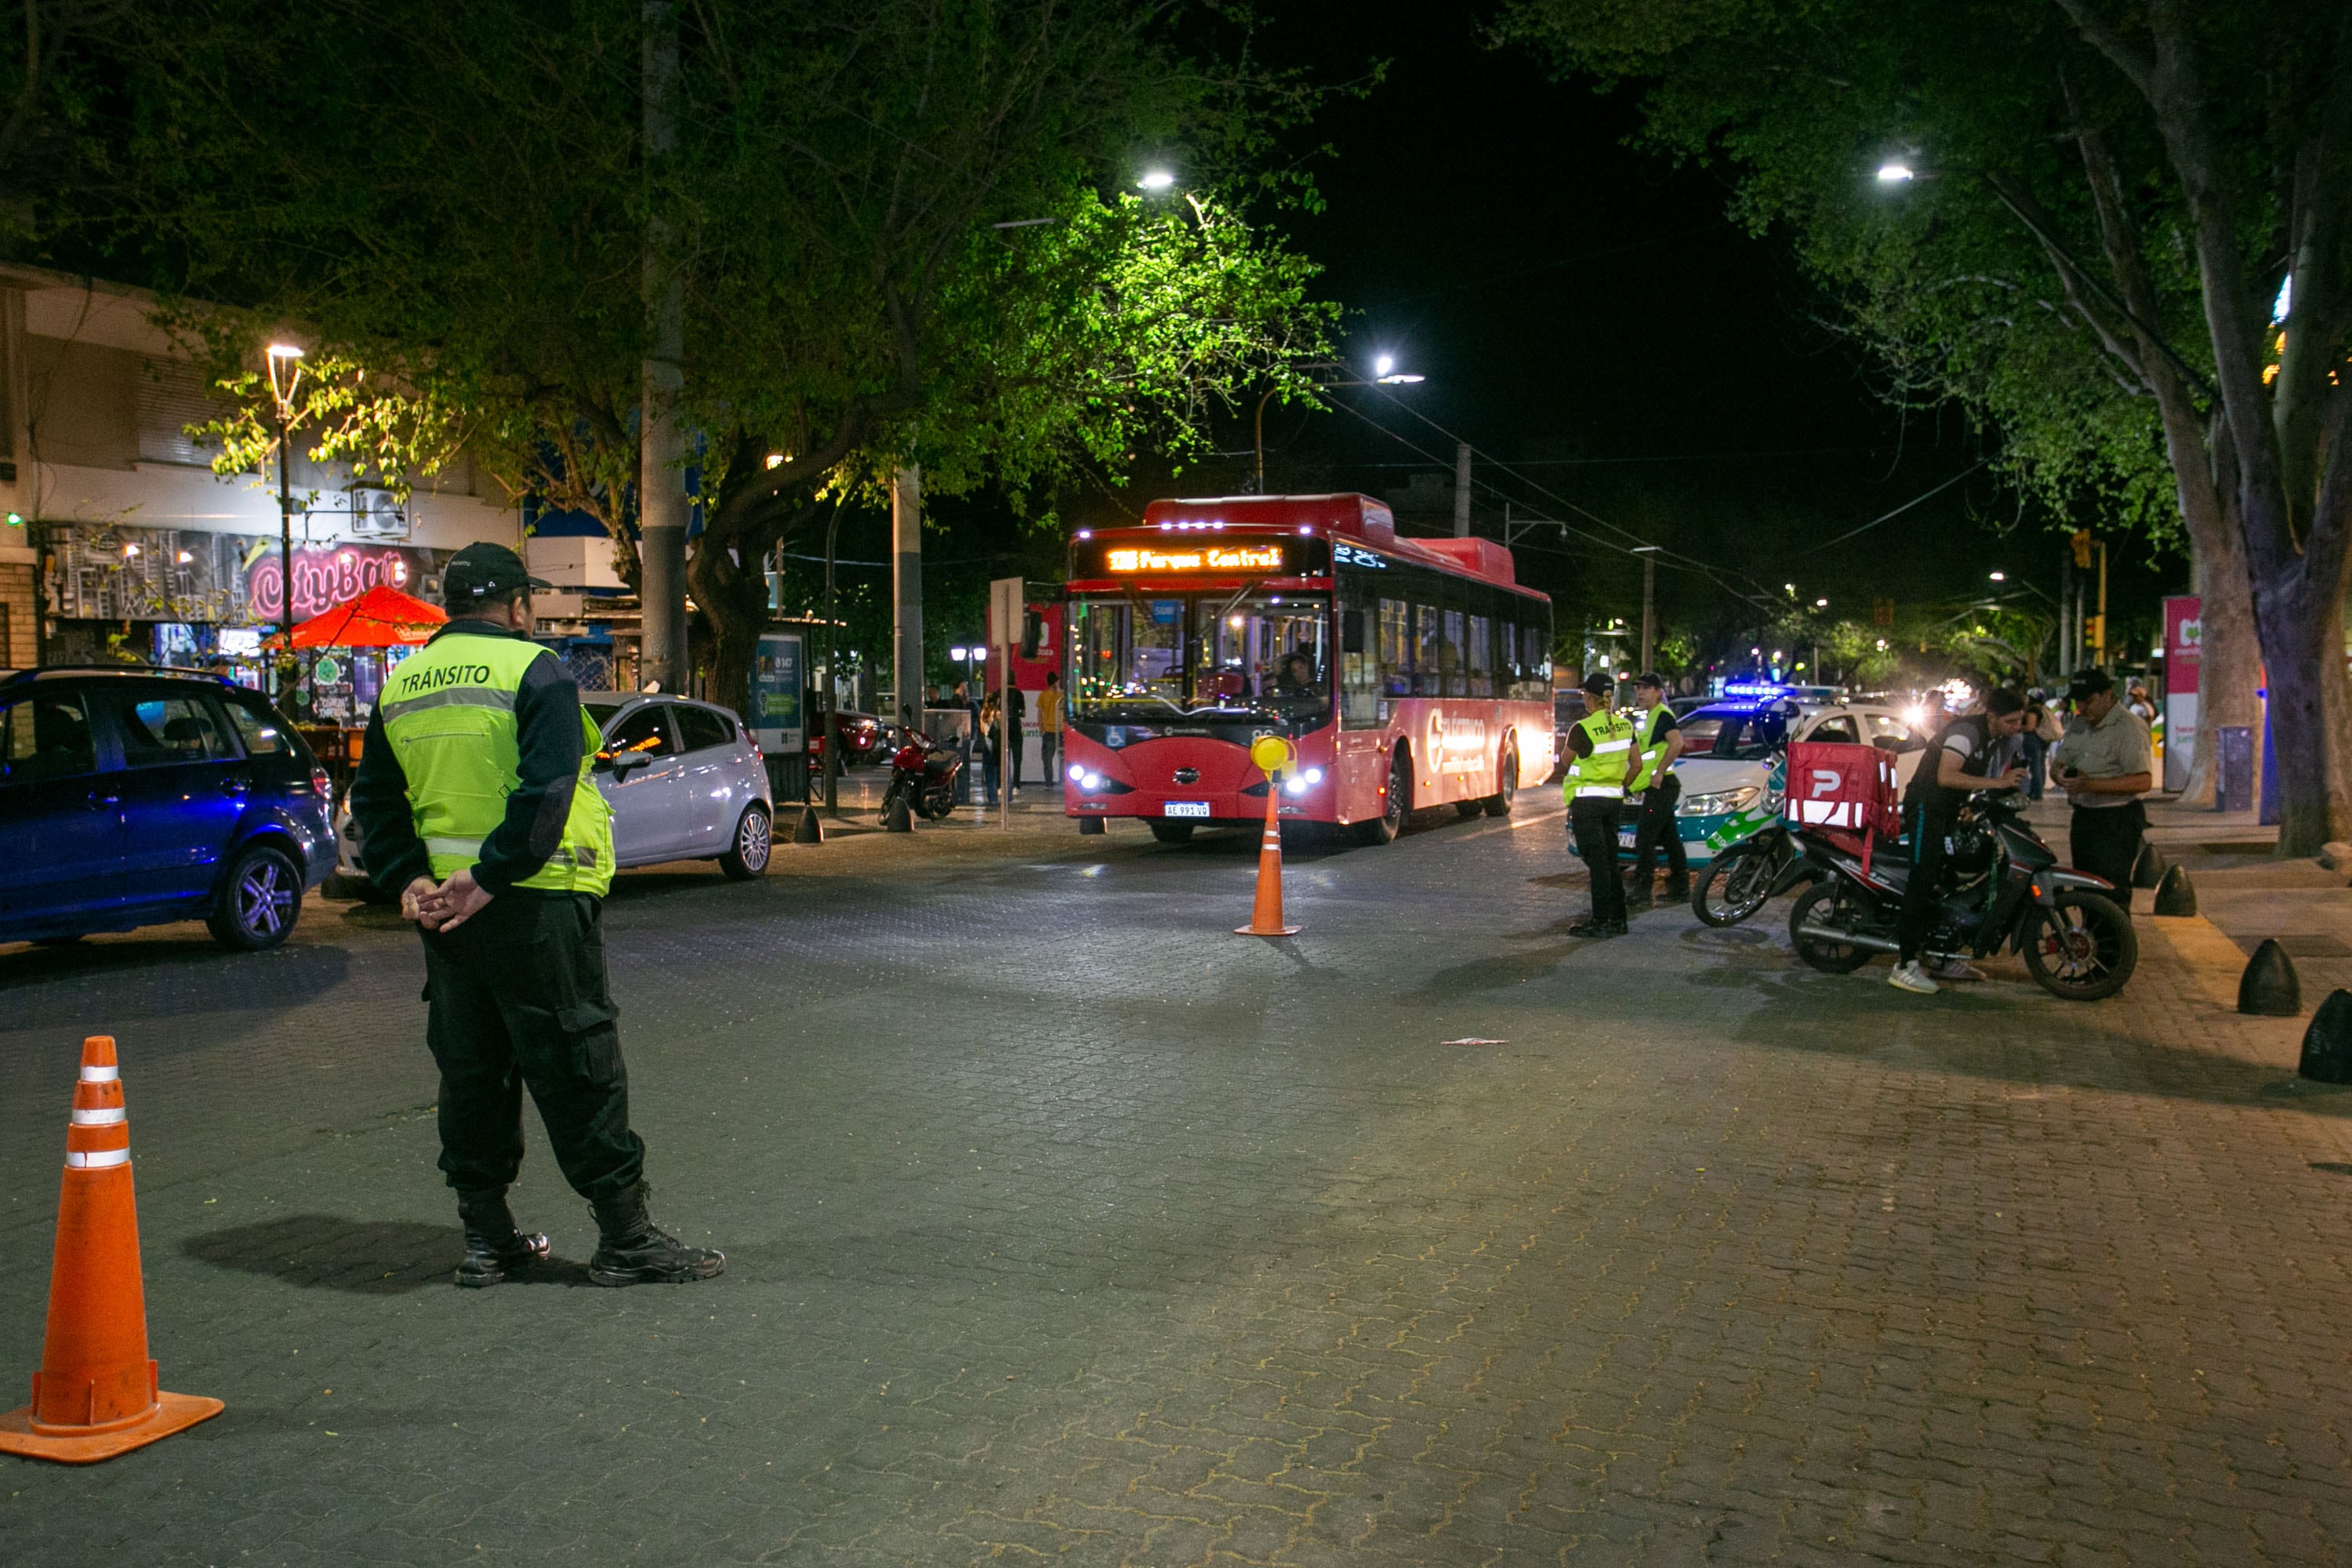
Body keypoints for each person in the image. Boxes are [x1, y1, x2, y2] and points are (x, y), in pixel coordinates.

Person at [347, 542, 723, 1290]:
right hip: (536, 901)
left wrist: (412, 882)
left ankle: (488, 1239)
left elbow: (376, 804)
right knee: (577, 1061)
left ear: (449, 605)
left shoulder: (402, 684)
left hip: (448, 917)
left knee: (472, 1068)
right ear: (517, 606)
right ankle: (625, 1236)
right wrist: (492, 876)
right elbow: (549, 790)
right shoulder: (534, 669)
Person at [1889, 687, 2031, 996]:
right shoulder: (1967, 731)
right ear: (1992, 716)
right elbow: (1946, 775)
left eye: (2019, 721)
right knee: (1924, 876)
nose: (2016, 727)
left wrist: (1969, 805)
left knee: (1949, 880)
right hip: (1927, 806)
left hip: (1949, 809)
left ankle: (1940, 957)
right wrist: (1998, 783)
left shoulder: (1997, 737)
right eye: (2010, 721)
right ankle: (1905, 963)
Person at [2052, 668, 2153, 901]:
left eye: (2088, 701)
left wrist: (2092, 785)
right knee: (2084, 890)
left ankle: (2114, 937)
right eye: (2078, 702)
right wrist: (2061, 776)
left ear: (2107, 695)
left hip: (2116, 820)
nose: (2083, 708)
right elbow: (2059, 764)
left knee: (2110, 891)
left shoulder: (2129, 727)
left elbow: (2143, 781)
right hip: (2084, 818)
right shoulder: (2079, 724)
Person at [1561, 671, 1636, 938]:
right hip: (1613, 802)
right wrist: (1620, 785)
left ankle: (1601, 921)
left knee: (1598, 865)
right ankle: (1619, 920)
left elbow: (1565, 761)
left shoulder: (1582, 729)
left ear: (1590, 699)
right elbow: (1636, 765)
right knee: (1611, 861)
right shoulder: (1626, 726)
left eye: (1584, 695)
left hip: (1587, 804)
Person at [1622, 672, 1689, 909]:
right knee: (1670, 839)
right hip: (1659, 787)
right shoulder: (1651, 717)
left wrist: (1659, 772)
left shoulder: (1662, 715)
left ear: (1658, 692)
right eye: (1638, 688)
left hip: (1663, 787)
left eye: (1646, 688)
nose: (1640, 692)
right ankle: (1680, 888)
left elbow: (1677, 743)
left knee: (1645, 837)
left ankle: (1642, 890)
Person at [977, 691, 1003, 807]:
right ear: (996, 700)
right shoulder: (997, 713)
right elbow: (1002, 729)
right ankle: (996, 796)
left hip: (985, 743)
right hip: (995, 744)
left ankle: (991, 797)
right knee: (996, 771)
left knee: (989, 773)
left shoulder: (983, 713)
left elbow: (982, 730)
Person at [1038, 671, 1064, 785]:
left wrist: (1041, 728)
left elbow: (1040, 713)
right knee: (1062, 758)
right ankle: (1062, 781)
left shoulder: (1043, 695)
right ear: (1056, 681)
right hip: (1059, 730)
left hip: (1049, 730)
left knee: (1047, 759)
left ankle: (1049, 782)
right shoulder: (1062, 695)